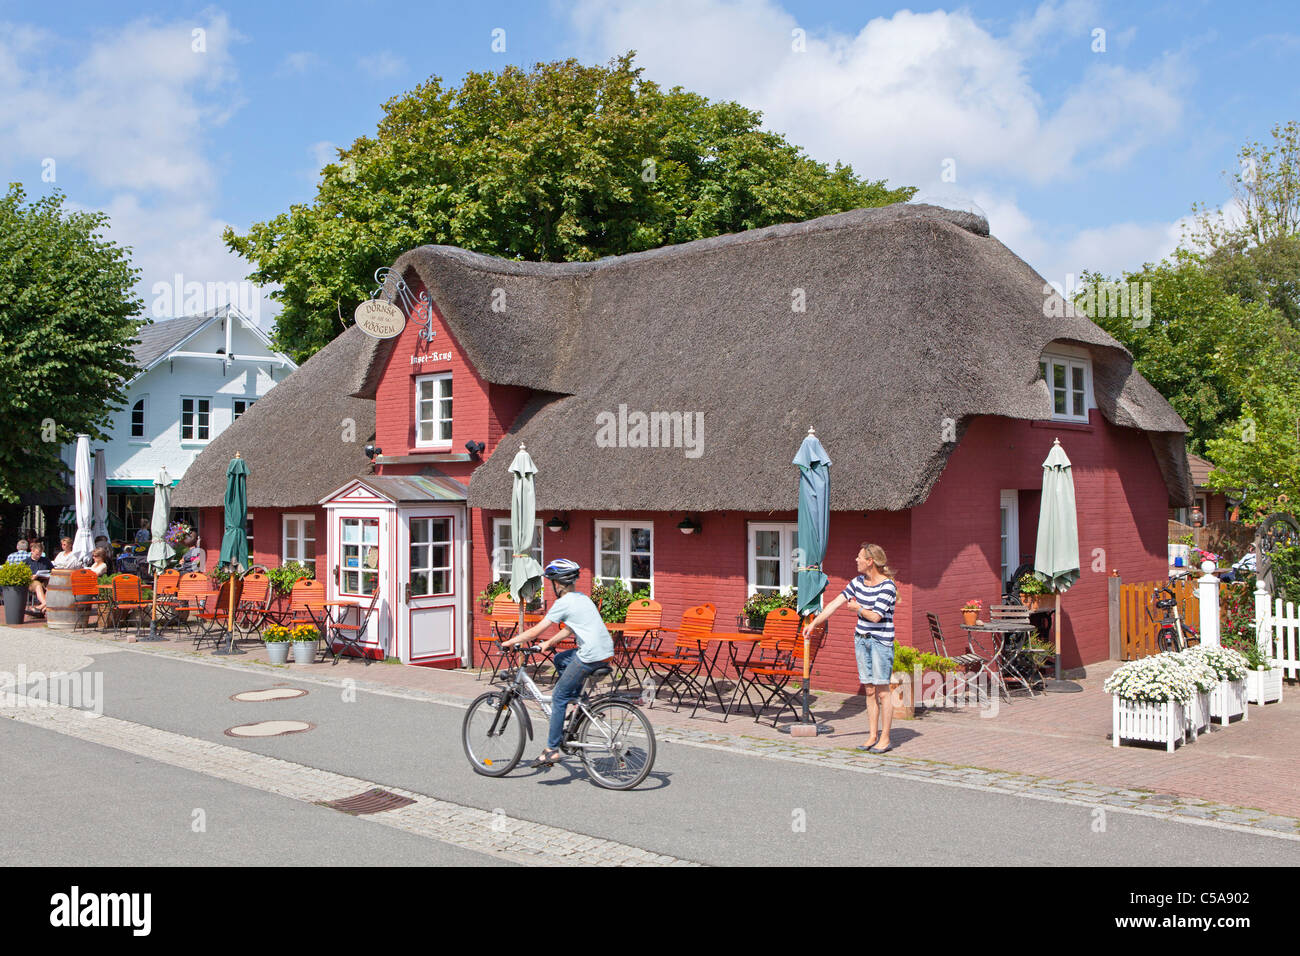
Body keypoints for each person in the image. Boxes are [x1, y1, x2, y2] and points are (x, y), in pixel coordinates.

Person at [502, 558, 615, 768]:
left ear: (558, 583)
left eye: (551, 582)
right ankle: (578, 701)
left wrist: (511, 641)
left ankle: (551, 750)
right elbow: (572, 627)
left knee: (559, 697)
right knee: (560, 658)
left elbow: (537, 630)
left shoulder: (562, 603)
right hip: (605, 653)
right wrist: (551, 643)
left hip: (589, 655)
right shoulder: (582, 598)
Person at [804, 543, 899, 753]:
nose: (856, 560)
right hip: (861, 640)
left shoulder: (887, 587)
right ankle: (872, 735)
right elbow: (834, 605)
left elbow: (875, 617)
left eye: (859, 557)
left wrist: (858, 608)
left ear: (870, 561)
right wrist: (814, 623)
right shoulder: (857, 582)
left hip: (880, 642)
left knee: (883, 691)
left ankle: (885, 738)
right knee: (870, 690)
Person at [25, 541, 54, 613]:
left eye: (40, 554)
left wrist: (48, 575)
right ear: (32, 551)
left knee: (51, 584)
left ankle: (41, 607)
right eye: (37, 554)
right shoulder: (26, 562)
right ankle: (45, 604)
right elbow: (23, 576)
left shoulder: (45, 560)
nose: (38, 556)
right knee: (37, 584)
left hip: (44, 580)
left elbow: (52, 570)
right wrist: (31, 577)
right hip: (32, 582)